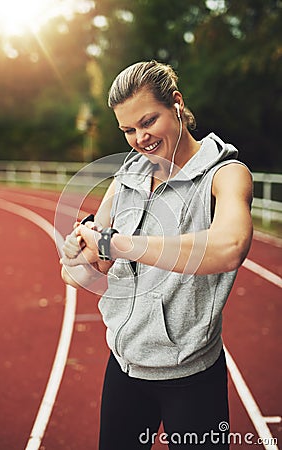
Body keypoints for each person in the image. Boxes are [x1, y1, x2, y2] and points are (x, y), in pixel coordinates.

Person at [60, 60, 253, 449]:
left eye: (148, 122)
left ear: (177, 104)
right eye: (128, 129)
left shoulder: (226, 174)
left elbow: (230, 246)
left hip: (191, 377)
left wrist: (119, 243)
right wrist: (77, 254)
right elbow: (96, 264)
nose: (139, 138)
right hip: (125, 367)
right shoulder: (126, 175)